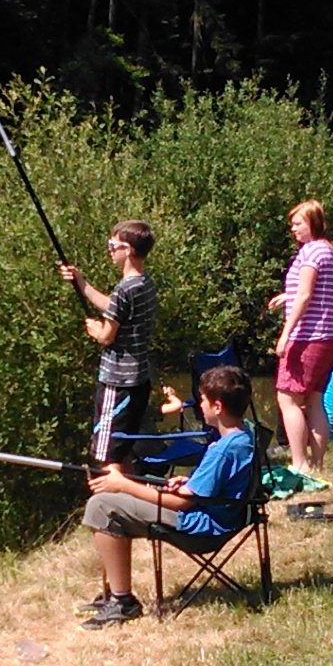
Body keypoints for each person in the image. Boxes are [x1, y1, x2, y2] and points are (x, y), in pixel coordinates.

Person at [76, 363, 259, 628]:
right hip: (218, 515)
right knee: (109, 505)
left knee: (101, 505)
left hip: (201, 527)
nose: (200, 405)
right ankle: (115, 595)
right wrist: (189, 482)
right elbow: (215, 484)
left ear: (218, 406)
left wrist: (123, 484)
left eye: (203, 400)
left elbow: (181, 502)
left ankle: (122, 601)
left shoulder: (224, 449)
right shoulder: (243, 436)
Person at [61, 219, 158, 464]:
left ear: (129, 250)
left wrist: (96, 330)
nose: (110, 251)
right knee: (122, 451)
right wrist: (81, 283)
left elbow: (107, 336)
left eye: (113, 246)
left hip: (118, 383)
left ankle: (110, 490)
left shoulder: (124, 289)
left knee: (106, 456)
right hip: (139, 380)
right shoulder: (144, 283)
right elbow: (115, 308)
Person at [266, 199, 333, 479]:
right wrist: (287, 296)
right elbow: (317, 290)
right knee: (314, 399)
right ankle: (317, 464)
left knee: (287, 398)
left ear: (313, 223)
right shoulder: (331, 252)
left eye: (298, 223)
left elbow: (305, 295)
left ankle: (299, 463)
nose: (293, 228)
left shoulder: (310, 252)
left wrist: (285, 334)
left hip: (309, 338)